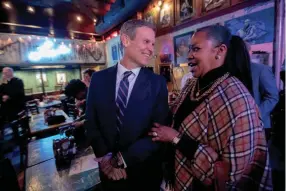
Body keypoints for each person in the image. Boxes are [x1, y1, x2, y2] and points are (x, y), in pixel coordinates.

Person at [149, 25, 272, 190]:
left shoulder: (236, 96)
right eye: (190, 49)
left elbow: (230, 173)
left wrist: (176, 138)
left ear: (219, 51)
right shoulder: (192, 86)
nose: (189, 56)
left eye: (196, 49)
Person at [85, 19, 169, 191]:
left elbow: (158, 132)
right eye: (146, 41)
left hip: (143, 173)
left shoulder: (157, 83)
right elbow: (91, 123)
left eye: (152, 43)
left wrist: (121, 160)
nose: (151, 48)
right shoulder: (99, 79)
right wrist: (105, 159)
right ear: (125, 40)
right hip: (108, 175)